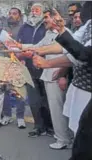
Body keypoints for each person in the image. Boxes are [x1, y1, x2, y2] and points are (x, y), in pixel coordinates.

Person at [32, 8, 91, 136]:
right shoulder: (88, 25)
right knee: (78, 128)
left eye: (47, 17)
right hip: (79, 86)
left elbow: (83, 55)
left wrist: (48, 63)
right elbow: (71, 47)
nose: (44, 20)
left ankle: (63, 139)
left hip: (87, 90)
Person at [15, 2, 54, 137]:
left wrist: (35, 53)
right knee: (33, 99)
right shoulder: (24, 27)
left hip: (46, 67)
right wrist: (20, 55)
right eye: (32, 10)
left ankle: (51, 126)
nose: (34, 12)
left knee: (48, 98)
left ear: (43, 13)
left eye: (37, 10)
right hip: (29, 68)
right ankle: (39, 126)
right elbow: (17, 46)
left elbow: (50, 46)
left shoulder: (48, 27)